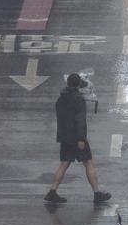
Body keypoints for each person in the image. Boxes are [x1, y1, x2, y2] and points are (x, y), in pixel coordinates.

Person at [46, 74, 110, 205]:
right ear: (78, 84)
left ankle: (52, 192)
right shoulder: (78, 99)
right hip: (77, 137)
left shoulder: (61, 98)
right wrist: (81, 138)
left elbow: (62, 118)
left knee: (64, 164)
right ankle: (97, 194)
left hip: (65, 137)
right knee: (89, 163)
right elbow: (80, 120)